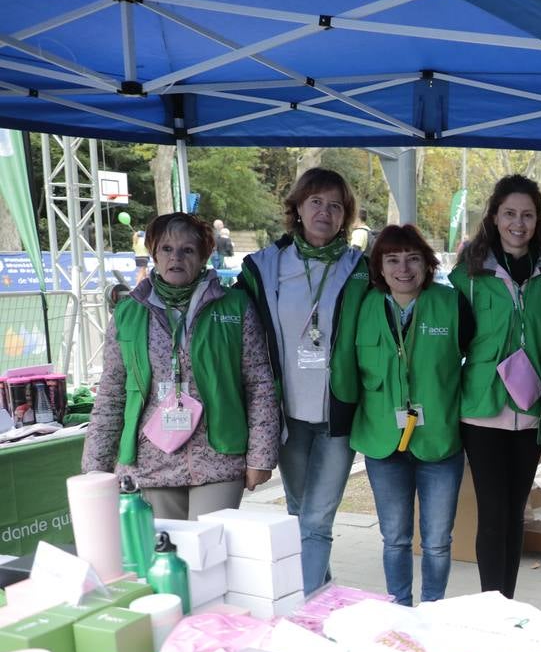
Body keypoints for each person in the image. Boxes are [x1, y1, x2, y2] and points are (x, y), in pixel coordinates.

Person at [83, 213, 278, 518]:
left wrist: (260, 457)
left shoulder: (235, 306)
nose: (176, 257)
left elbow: (259, 385)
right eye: (166, 249)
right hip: (149, 461)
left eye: (187, 250)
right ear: (153, 254)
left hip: (219, 458)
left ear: (203, 257)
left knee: (209, 556)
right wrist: (96, 466)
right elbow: (111, 394)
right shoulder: (128, 313)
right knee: (164, 554)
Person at [235, 167, 370, 594]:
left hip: (338, 413)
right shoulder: (266, 265)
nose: (325, 212)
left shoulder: (361, 268)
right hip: (288, 413)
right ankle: (322, 593)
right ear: (296, 207)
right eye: (316, 202)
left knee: (316, 519)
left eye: (335, 205)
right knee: (298, 512)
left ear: (345, 214)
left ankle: (305, 608)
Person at [345, 224, 475, 607]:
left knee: (436, 541)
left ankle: (432, 608)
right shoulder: (362, 305)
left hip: (439, 441)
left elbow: (475, 358)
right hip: (382, 441)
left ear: (428, 264)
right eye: (393, 260)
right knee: (395, 537)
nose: (404, 268)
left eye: (413, 258)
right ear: (379, 268)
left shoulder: (451, 304)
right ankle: (399, 607)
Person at [451, 175, 541, 598]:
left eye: (528, 215)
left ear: (538, 220)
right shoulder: (467, 274)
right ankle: (489, 605)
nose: (519, 223)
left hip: (531, 408)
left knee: (515, 514)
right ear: (495, 217)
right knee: (493, 512)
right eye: (510, 214)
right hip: (481, 407)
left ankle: (508, 604)